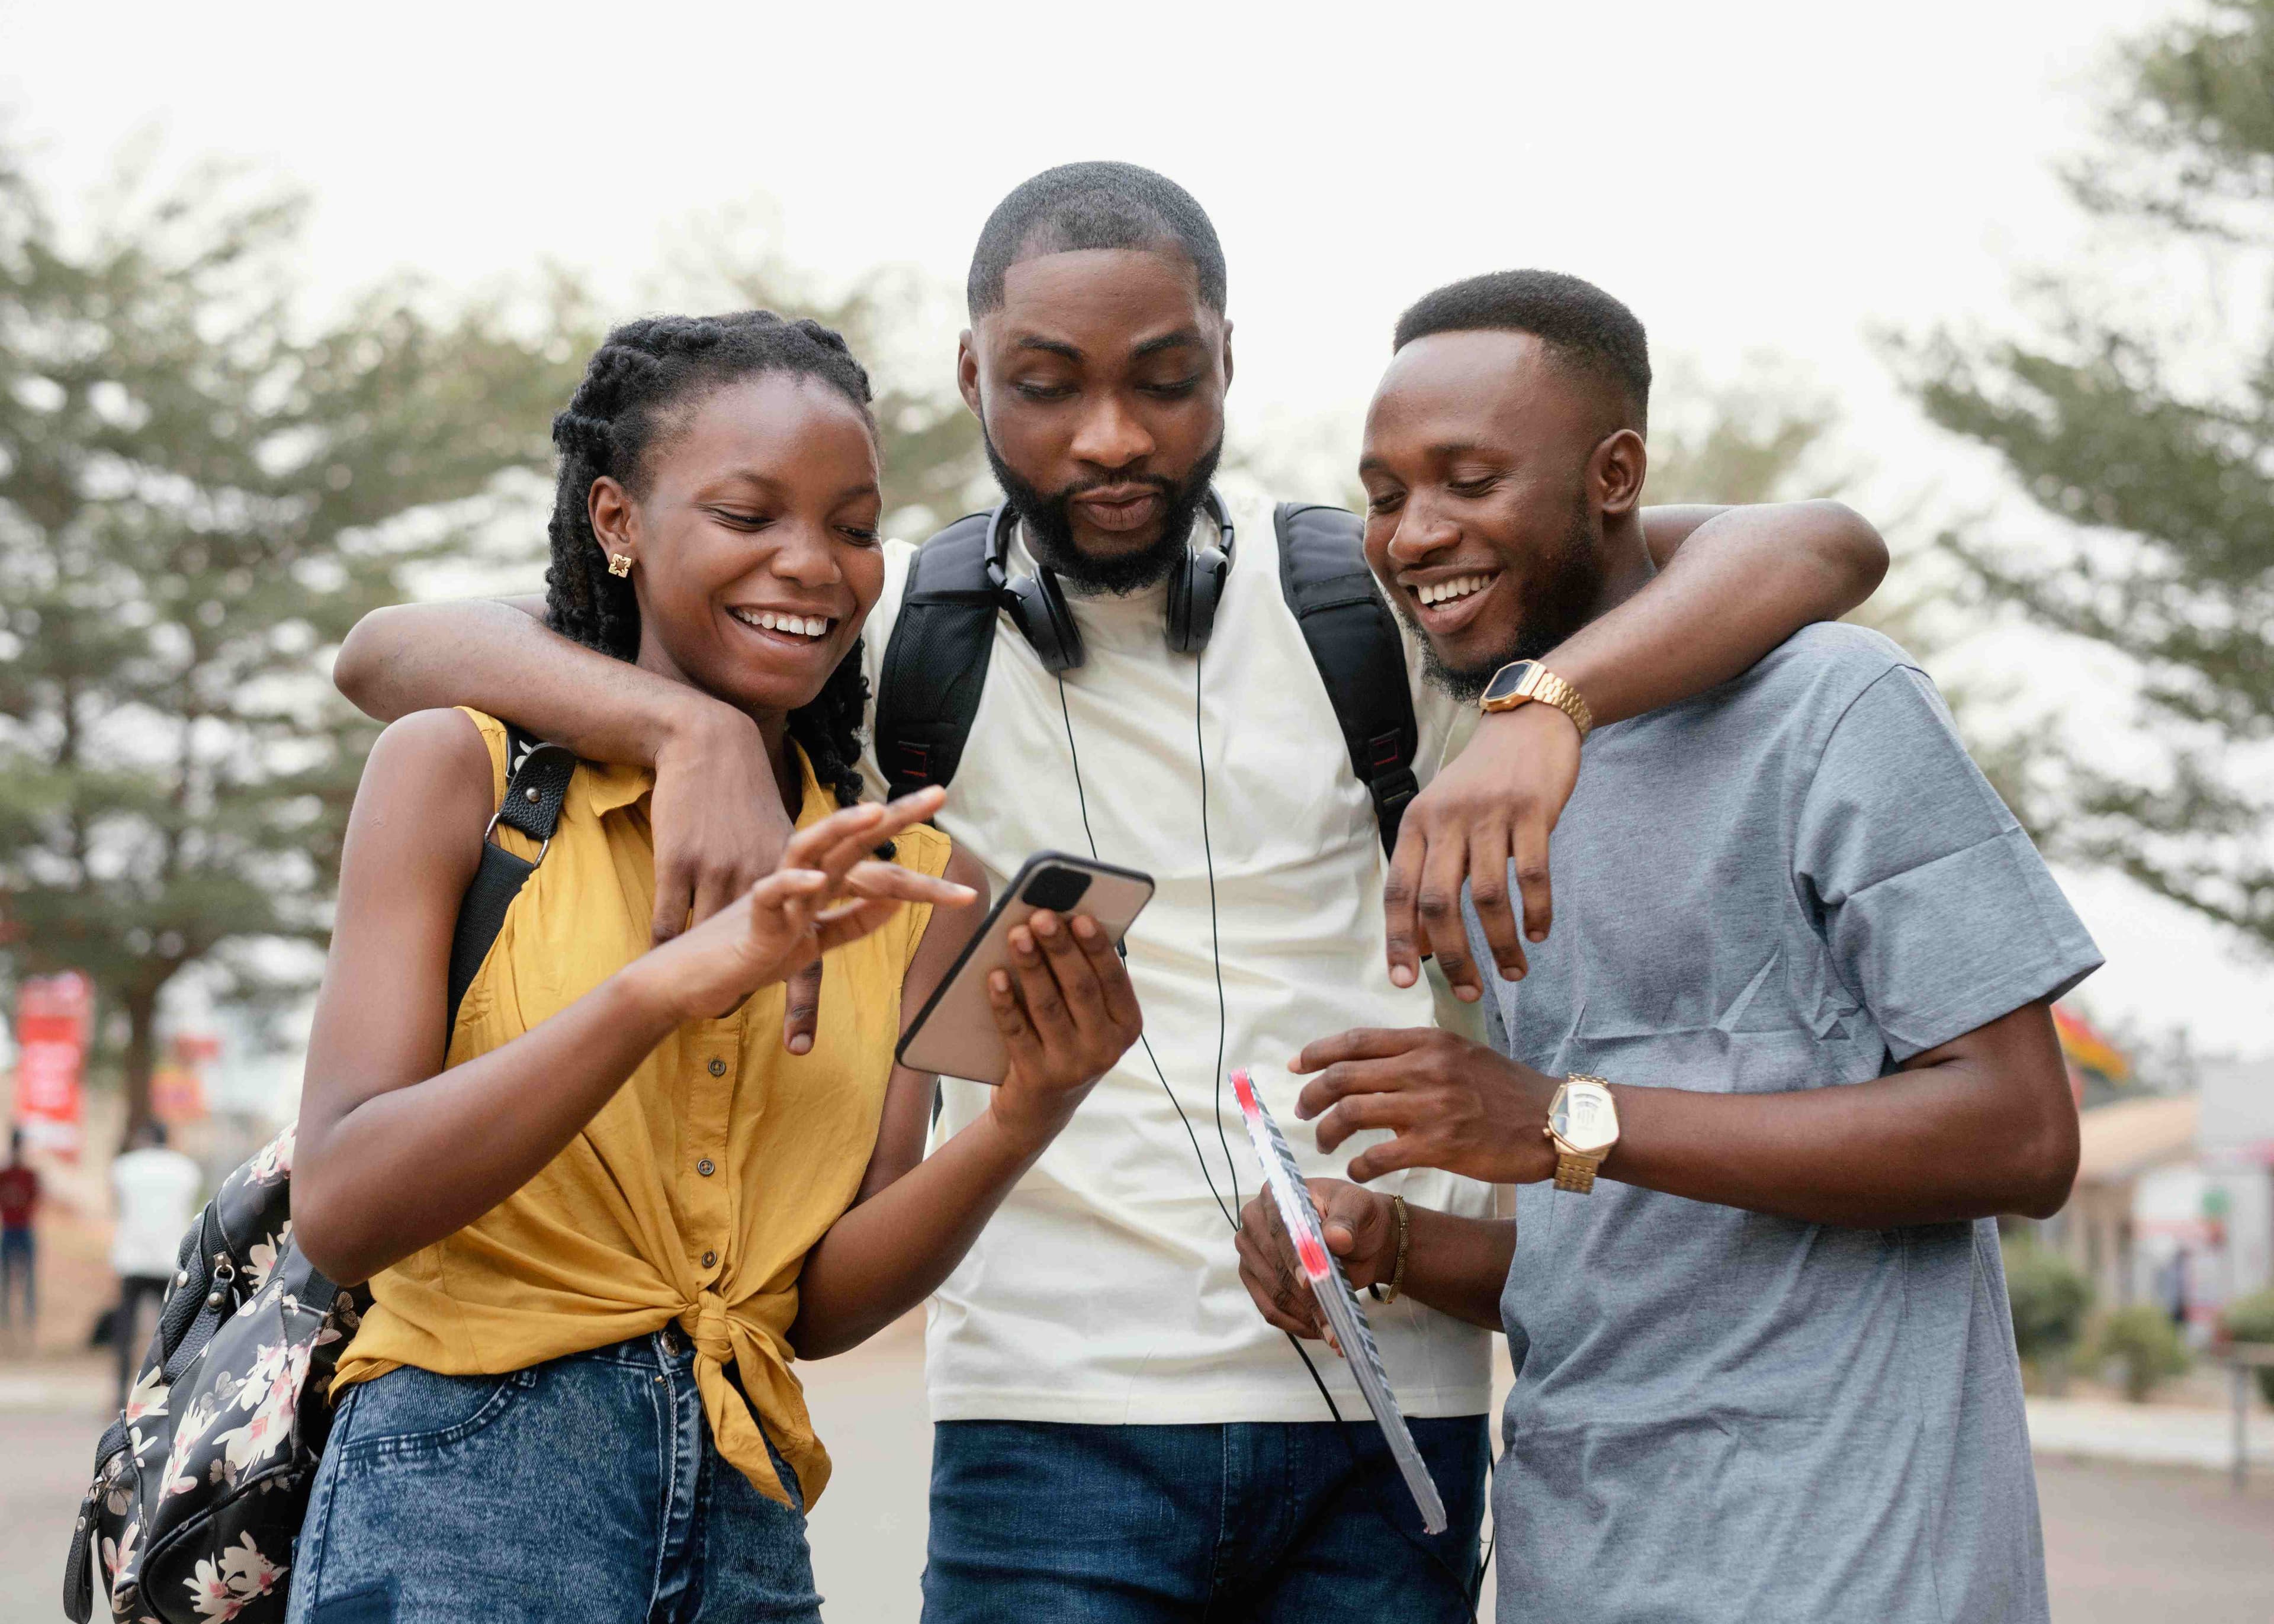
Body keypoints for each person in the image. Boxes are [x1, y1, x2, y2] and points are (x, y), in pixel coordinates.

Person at [331, 165, 1890, 1621]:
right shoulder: (884, 634)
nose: (1111, 439)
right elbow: (392, 648)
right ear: (971, 377)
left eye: (1164, 376)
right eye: (1047, 382)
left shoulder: (1387, 585)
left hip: (1386, 1397)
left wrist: (1549, 703)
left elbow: (1816, 542)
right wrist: (674, 726)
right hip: (1044, 1418)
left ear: (1227, 358)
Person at [1237, 270, 2101, 1623]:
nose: (1413, 533)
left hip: (1853, 1567)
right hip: (1582, 1563)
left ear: (1615, 471)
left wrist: (1560, 1113)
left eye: (1466, 478)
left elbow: (2018, 1136)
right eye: (1387, 491)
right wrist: (1386, 1240)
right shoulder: (1489, 785)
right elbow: (1613, 1237)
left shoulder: (1830, 702)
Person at [284, 311, 1142, 1624]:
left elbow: (816, 1306)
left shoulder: (900, 872)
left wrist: (1029, 1112)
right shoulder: (465, 773)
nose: (813, 565)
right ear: (619, 522)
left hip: (746, 1517)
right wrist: (660, 986)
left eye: (854, 528)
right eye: (749, 515)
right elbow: (342, 1207)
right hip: (465, 1498)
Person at [109, 1121, 201, 1403]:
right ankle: (168, 1396)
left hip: (132, 1259)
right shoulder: (186, 1170)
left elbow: (117, 1207)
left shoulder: (124, 1167)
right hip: (170, 1260)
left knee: (125, 1329)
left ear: (144, 1137)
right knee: (172, 1332)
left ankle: (119, 1394)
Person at [1, 1127, 41, 1337]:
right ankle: (6, 1321)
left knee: (28, 1281)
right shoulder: (6, 1174)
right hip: (10, 1229)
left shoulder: (29, 1175)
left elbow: (35, 1201)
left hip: (23, 1229)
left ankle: (28, 1321)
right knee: (6, 1279)